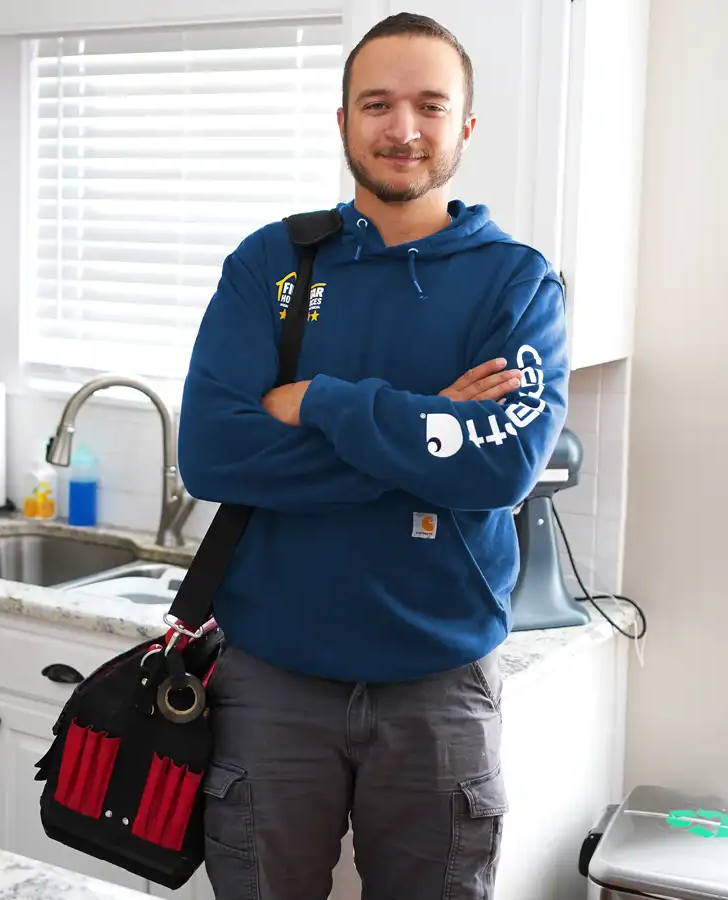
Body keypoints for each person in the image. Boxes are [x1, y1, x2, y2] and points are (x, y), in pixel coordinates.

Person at [177, 11, 568, 900]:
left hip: (439, 686)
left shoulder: (517, 280)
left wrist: (323, 403)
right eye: (377, 104)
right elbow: (212, 453)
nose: (403, 129)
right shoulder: (272, 267)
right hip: (271, 678)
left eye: (430, 105)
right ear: (343, 120)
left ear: (465, 125)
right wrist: (428, 441)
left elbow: (502, 469)